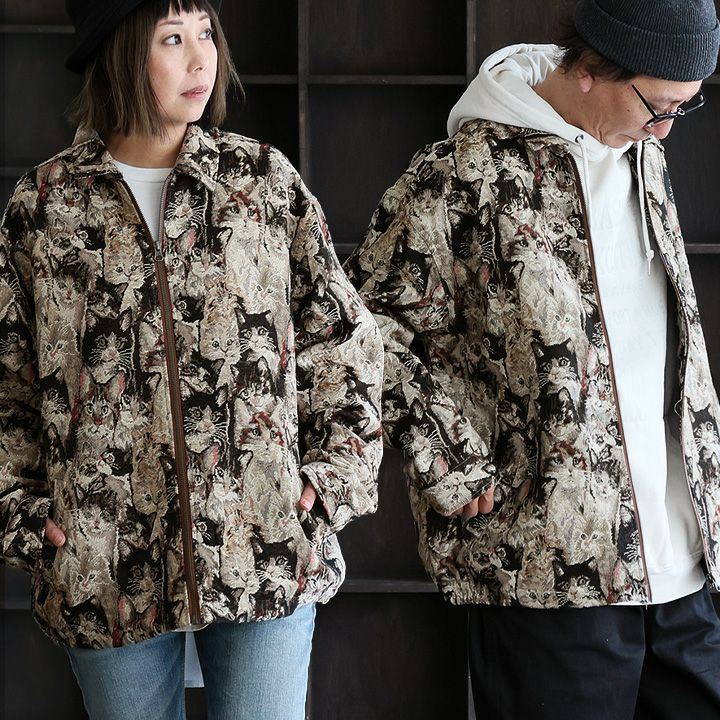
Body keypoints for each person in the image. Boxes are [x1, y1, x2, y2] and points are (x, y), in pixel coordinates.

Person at [0, 1, 384, 718]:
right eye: (172, 39)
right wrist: (23, 515)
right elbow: (9, 378)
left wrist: (332, 475)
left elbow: (343, 337)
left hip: (263, 537)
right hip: (104, 558)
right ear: (119, 53)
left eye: (206, 33)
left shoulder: (260, 181)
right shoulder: (47, 206)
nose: (202, 57)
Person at [344, 0, 720, 717]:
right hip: (546, 572)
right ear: (591, 68)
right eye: (659, 105)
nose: (667, 128)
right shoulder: (464, 176)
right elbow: (359, 328)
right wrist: (448, 454)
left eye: (685, 107)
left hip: (683, 570)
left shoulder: (644, 155)